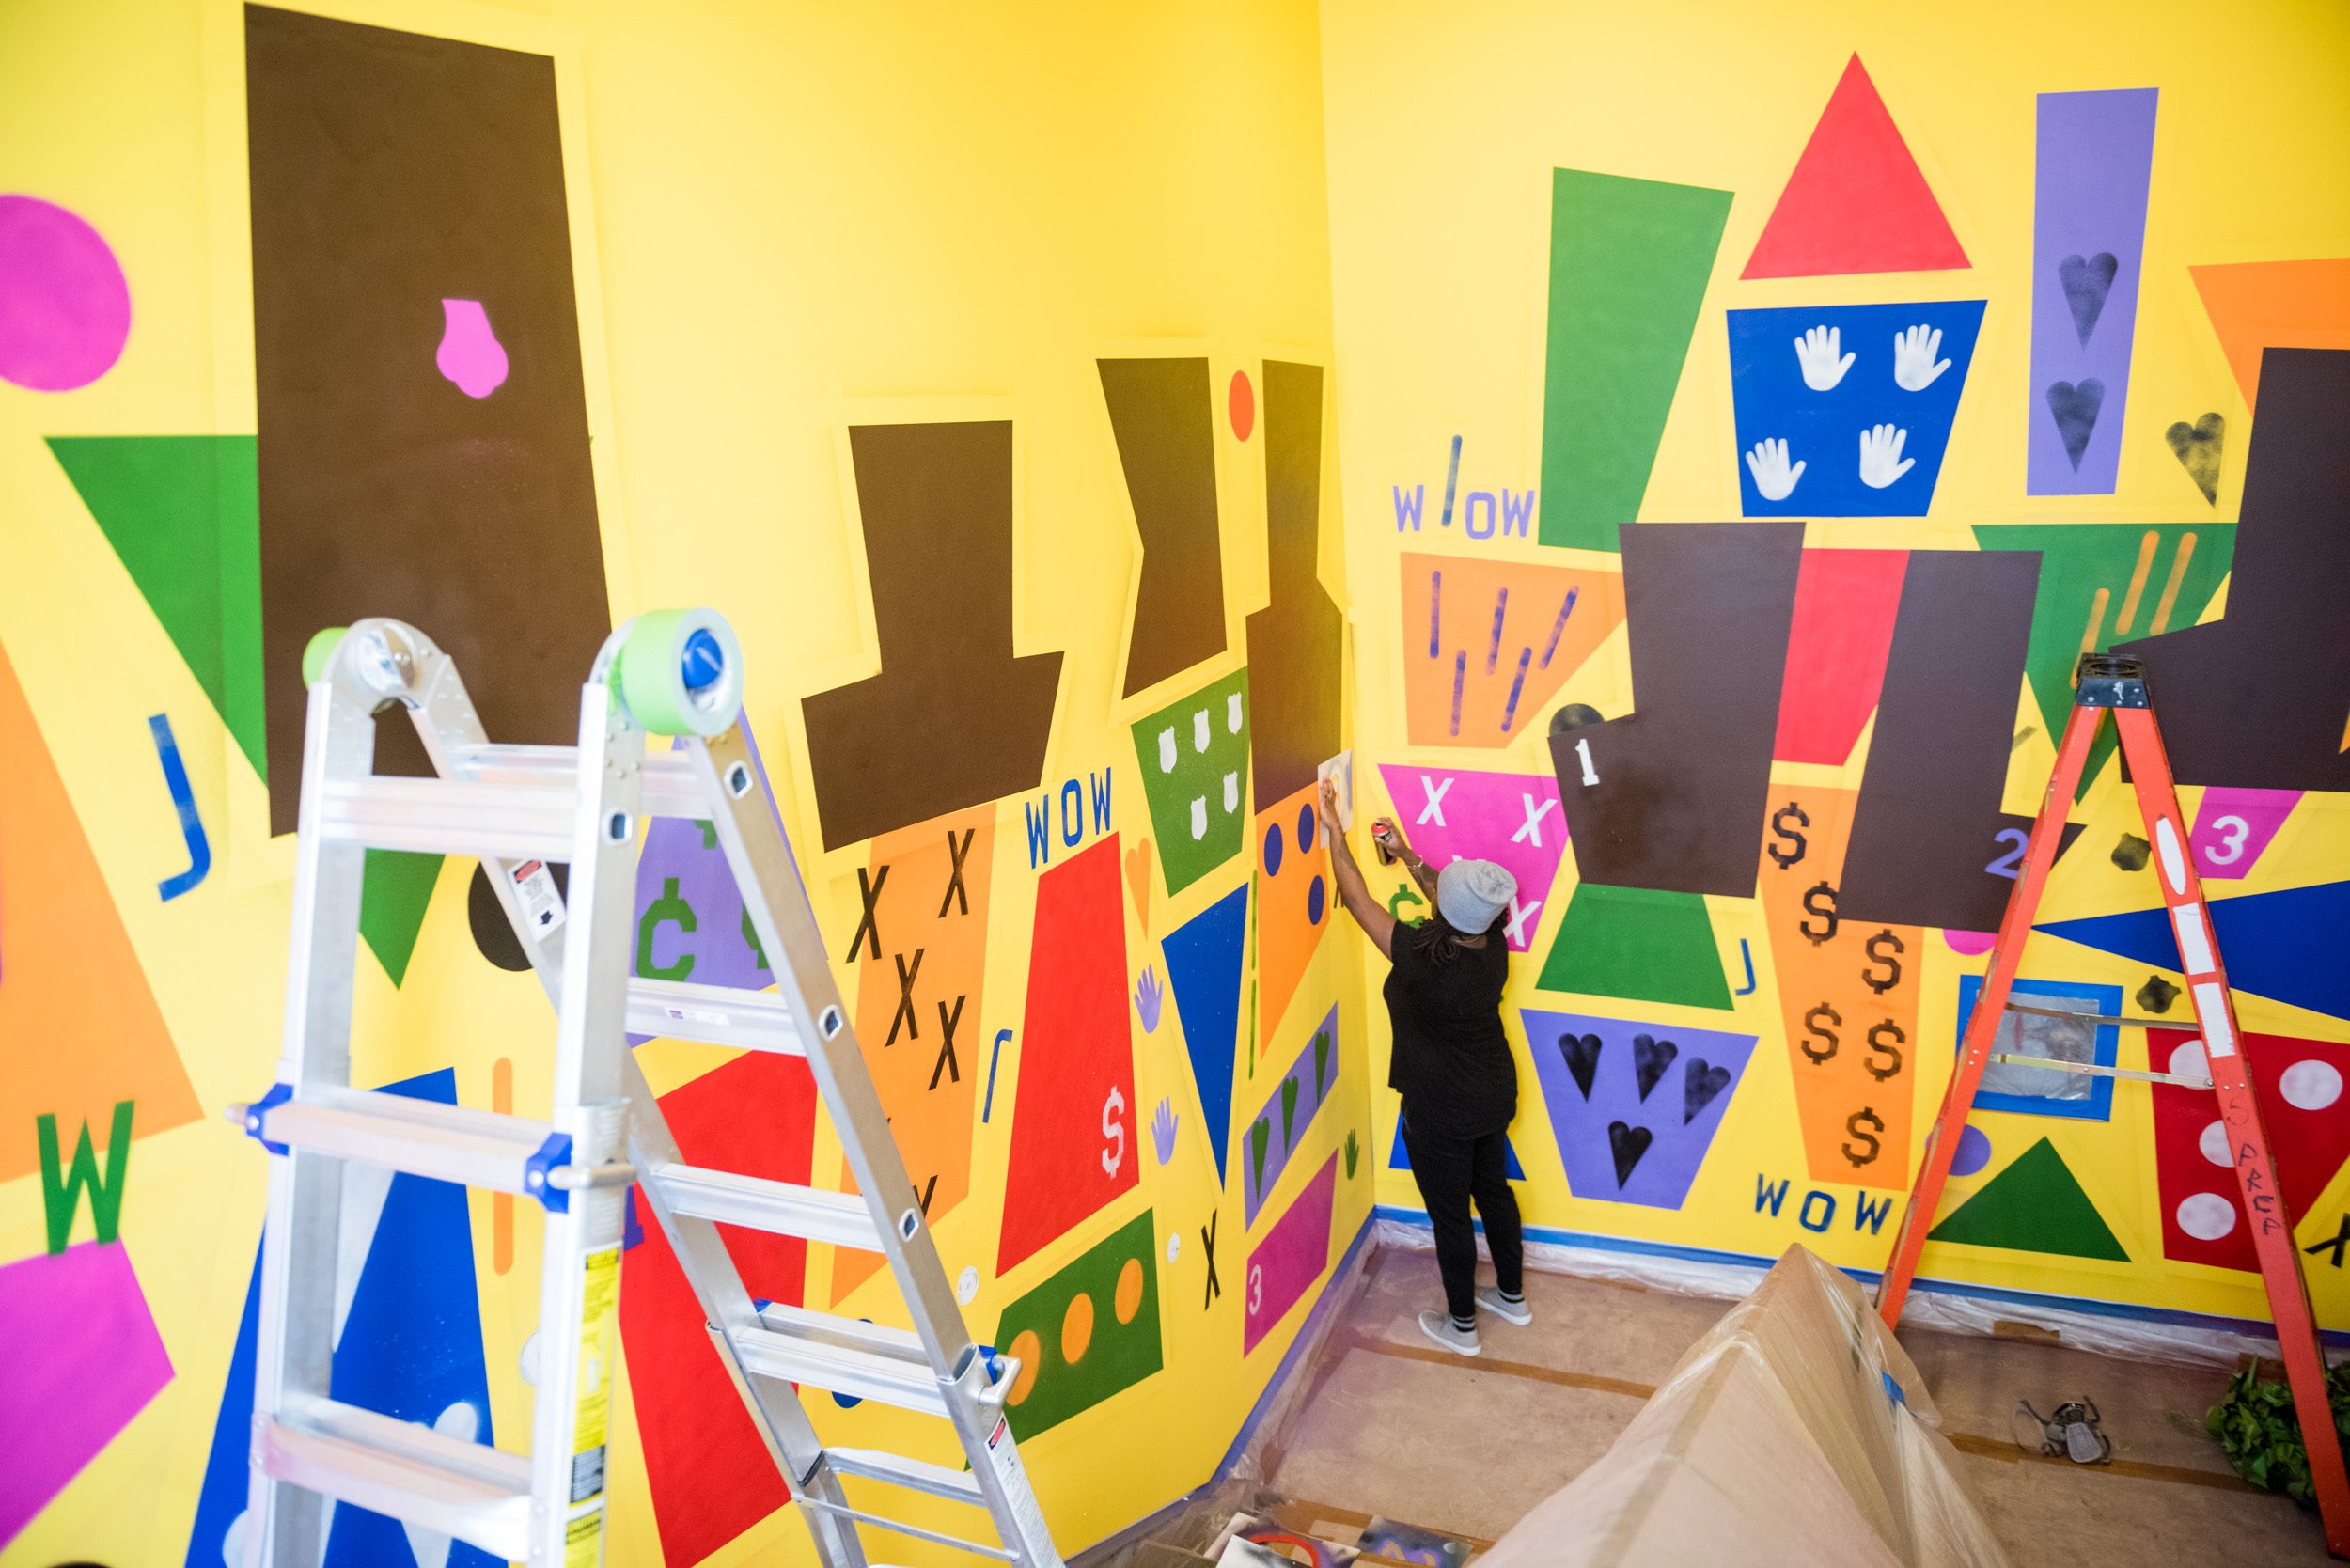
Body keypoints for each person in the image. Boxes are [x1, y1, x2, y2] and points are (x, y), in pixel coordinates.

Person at [1320, 777, 1528, 1356]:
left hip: (1441, 1108)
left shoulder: (1421, 957)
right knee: (1494, 1191)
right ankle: (1511, 1297)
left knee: (1451, 1217)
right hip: (1492, 1093)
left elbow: (1358, 901)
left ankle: (1462, 1327)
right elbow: (1448, 897)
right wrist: (1405, 852)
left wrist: (1336, 832)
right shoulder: (1491, 944)